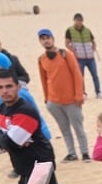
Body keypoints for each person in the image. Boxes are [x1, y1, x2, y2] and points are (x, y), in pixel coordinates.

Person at [35, 27, 90, 162]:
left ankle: (85, 152)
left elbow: (77, 75)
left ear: (52, 39)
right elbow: (44, 79)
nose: (46, 41)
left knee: (78, 127)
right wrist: (47, 98)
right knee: (64, 128)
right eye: (43, 39)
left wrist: (79, 95)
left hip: (71, 99)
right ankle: (71, 153)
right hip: (54, 101)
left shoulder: (66, 54)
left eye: (47, 38)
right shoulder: (42, 59)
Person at [63, 13, 102, 98]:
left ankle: (98, 92)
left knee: (95, 75)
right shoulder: (70, 30)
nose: (79, 22)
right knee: (81, 76)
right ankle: (83, 93)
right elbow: (67, 43)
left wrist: (94, 48)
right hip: (79, 58)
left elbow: (93, 41)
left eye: (80, 20)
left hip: (90, 57)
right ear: (74, 21)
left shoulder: (87, 30)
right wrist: (73, 51)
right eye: (77, 20)